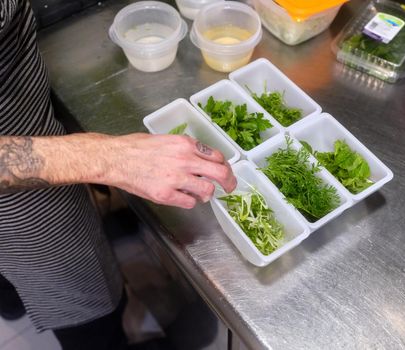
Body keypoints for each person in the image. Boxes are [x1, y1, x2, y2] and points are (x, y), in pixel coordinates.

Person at [0, 1, 237, 349]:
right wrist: (106, 156)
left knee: (13, 278)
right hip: (22, 199)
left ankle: (10, 300)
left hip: (21, 115)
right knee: (84, 300)